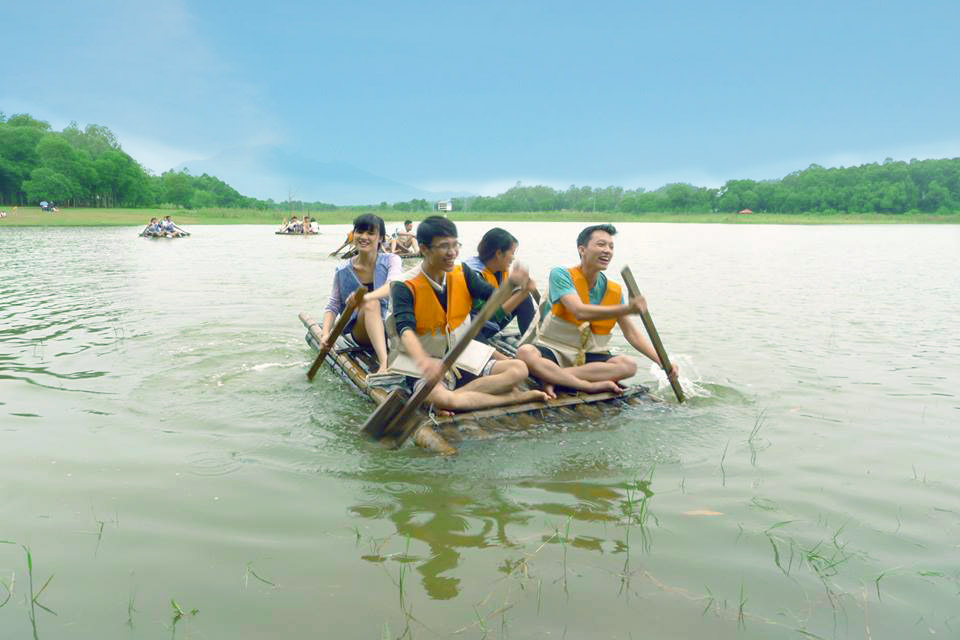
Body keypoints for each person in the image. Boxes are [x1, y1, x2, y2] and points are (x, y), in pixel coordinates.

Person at [388, 216, 549, 412]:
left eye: (455, 245)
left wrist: (512, 284)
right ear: (424, 249)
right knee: (440, 398)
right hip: (426, 362)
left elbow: (493, 297)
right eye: (444, 246)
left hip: (462, 354)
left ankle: (457, 397)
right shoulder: (403, 285)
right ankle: (511, 398)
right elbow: (405, 330)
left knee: (519, 369)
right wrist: (424, 361)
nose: (452, 252)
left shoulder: (462, 271)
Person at [516, 224, 679, 397]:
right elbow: (579, 311)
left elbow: (631, 332)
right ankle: (580, 383)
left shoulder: (613, 290)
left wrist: (662, 361)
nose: (607, 251)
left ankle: (552, 378)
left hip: (587, 357)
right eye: (601, 244)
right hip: (555, 351)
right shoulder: (561, 274)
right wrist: (628, 308)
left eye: (611, 246)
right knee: (525, 353)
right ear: (582, 250)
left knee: (628, 365)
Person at [321, 214, 402, 375]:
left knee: (372, 301)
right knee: (371, 304)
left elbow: (392, 286)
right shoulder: (342, 270)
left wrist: (366, 297)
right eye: (360, 232)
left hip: (391, 326)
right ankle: (384, 363)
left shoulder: (392, 260)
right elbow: (333, 305)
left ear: (380, 238)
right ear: (354, 235)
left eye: (371, 233)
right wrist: (325, 334)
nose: (364, 237)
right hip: (361, 331)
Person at [463, 227, 538, 342]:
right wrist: (523, 292)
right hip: (473, 330)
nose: (513, 258)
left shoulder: (498, 270)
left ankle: (530, 343)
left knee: (523, 298)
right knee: (522, 296)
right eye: (512, 253)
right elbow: (490, 316)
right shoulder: (474, 274)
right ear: (498, 253)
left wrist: (522, 290)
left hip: (490, 322)